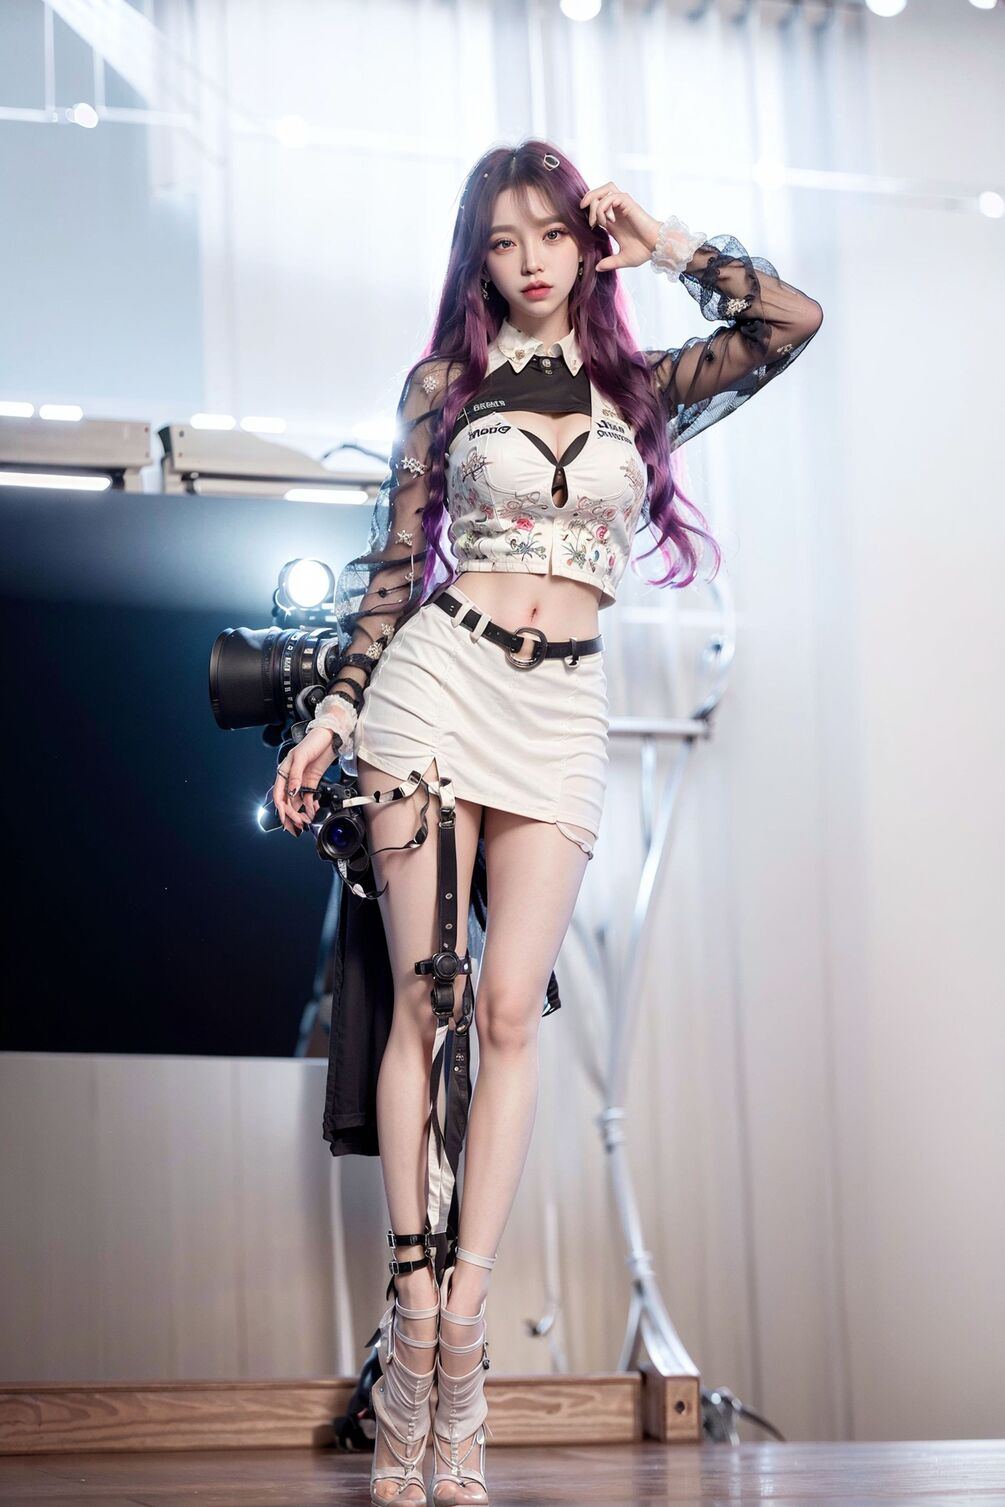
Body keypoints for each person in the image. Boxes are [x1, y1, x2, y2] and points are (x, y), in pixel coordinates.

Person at [273, 139, 823, 1506]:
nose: (529, 259)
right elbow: (396, 570)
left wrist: (669, 236)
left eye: (552, 233)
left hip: (563, 711)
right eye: (503, 239)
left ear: (586, 243)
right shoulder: (444, 388)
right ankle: (414, 1327)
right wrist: (334, 714)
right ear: (479, 260)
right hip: (436, 687)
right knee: (434, 1001)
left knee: (514, 1012)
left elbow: (788, 322)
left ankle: (464, 1331)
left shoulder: (640, 390)